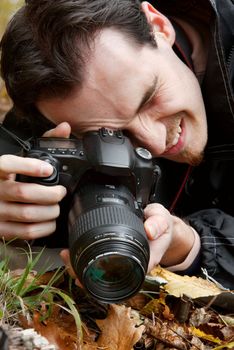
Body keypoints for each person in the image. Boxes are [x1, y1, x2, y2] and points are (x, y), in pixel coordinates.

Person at [0, 0, 234, 289]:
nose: (155, 143)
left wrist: (193, 245)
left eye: (148, 98)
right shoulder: (54, 99)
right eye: (115, 135)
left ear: (159, 26)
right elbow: (10, 149)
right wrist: (15, 203)